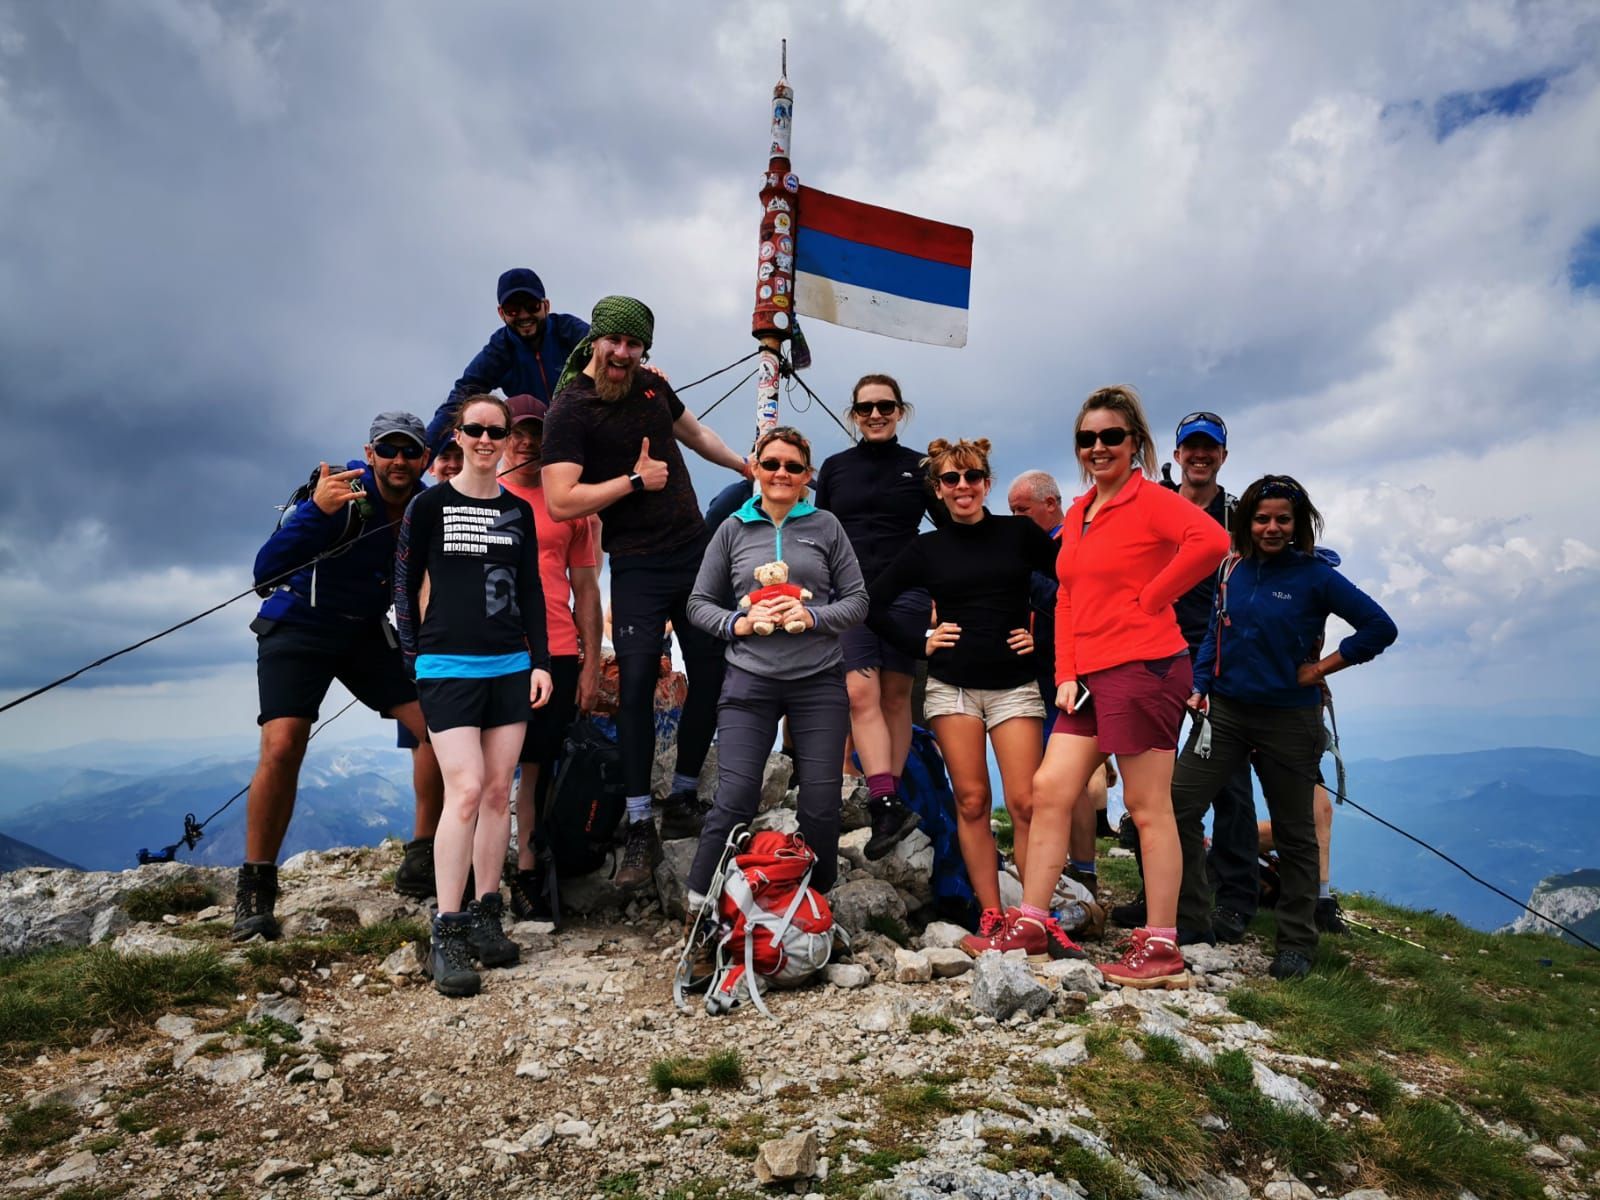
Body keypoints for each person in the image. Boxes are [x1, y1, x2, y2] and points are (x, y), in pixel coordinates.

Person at [975, 386, 1229, 984]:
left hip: (1145, 668)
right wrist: (1064, 673)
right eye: (1087, 438)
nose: (1098, 447)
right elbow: (1065, 595)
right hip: (1088, 678)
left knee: (1146, 808)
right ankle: (1032, 924)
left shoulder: (1150, 501)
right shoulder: (1081, 510)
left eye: (1111, 436)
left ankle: (1162, 947)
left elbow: (1213, 542)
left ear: (1135, 442)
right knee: (1049, 790)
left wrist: (1153, 597)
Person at [541, 295, 753, 891]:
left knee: (713, 673)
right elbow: (560, 499)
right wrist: (635, 480)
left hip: (694, 553)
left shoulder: (653, 387)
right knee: (635, 684)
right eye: (615, 343)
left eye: (635, 347)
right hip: (635, 564)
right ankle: (639, 823)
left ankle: (683, 792)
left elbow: (696, 433)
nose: (623, 355)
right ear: (595, 340)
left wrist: (746, 467)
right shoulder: (570, 410)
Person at [1176, 475, 1397, 980]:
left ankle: (1297, 941)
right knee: (1178, 804)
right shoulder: (1232, 568)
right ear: (1246, 522)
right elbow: (1216, 629)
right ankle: (1192, 918)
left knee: (1296, 832)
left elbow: (1380, 627)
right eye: (1262, 518)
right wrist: (1201, 684)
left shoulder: (1314, 576)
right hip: (1226, 712)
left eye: (1282, 520)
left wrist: (1320, 670)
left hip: (1289, 719)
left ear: (1297, 526)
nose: (1271, 528)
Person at [236, 412, 441, 940]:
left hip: (364, 634)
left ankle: (422, 855)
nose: (399, 461)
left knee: (439, 725)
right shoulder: (339, 495)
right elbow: (264, 573)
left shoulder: (425, 507)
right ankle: (256, 887)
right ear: (370, 454)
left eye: (409, 452)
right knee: (282, 747)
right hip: (300, 625)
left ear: (423, 458)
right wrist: (314, 514)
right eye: (387, 450)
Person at [865, 438, 1060, 953]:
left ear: (987, 483)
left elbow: (1076, 585)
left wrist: (1043, 640)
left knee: (1025, 802)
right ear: (939, 489)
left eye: (972, 477)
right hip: (952, 687)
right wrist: (920, 642)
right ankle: (993, 917)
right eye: (951, 480)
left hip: (1015, 686)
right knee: (972, 802)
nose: (962, 487)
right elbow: (873, 603)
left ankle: (1033, 917)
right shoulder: (927, 548)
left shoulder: (1019, 533)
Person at [395, 395, 554, 997]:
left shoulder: (518, 510)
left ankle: (489, 914)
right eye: (475, 430)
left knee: (496, 792)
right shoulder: (428, 506)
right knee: (462, 790)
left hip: (510, 665)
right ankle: (449, 929)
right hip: (446, 668)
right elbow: (404, 587)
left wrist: (540, 662)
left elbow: (532, 593)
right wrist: (415, 664)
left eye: (497, 431)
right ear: (457, 436)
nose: (487, 440)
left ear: (508, 437)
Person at [684, 426, 868, 909]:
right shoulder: (732, 528)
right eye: (771, 465)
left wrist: (813, 615)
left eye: (793, 466)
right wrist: (739, 623)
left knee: (822, 803)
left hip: (818, 681)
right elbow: (698, 603)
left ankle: (815, 903)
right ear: (755, 469)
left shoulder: (827, 526)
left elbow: (858, 601)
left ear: (808, 474)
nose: (781, 473)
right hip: (749, 680)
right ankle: (698, 903)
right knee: (737, 795)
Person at [1112, 412, 1257, 940]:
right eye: (1191, 448)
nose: (1200, 456)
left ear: (1222, 455)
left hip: (1219, 655)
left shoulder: (1240, 516)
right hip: (1157, 651)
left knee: (1227, 778)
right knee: (1155, 783)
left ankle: (1238, 898)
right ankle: (1161, 895)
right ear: (1176, 454)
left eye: (1210, 448)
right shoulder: (1153, 504)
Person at [813, 375, 942, 858]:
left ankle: (892, 795)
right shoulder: (835, 467)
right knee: (858, 692)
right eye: (865, 407)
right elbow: (820, 528)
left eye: (884, 406)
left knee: (895, 696)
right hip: (849, 593)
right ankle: (884, 799)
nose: (875, 414)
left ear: (900, 410)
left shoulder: (921, 467)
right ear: (853, 414)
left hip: (907, 590)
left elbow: (948, 525)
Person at [496, 394, 604, 920]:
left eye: (535, 432)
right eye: (514, 431)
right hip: (485, 651)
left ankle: (528, 873)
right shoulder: (476, 494)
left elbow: (586, 588)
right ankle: (474, 878)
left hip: (555, 649)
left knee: (534, 769)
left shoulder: (571, 506)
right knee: (482, 772)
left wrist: (588, 664)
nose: (524, 440)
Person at [1008, 469, 1113, 927]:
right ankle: (1064, 869)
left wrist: (1027, 578)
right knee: (1052, 779)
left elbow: (1074, 599)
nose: (1015, 520)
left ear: (1050, 505)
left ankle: (1084, 871)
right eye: (1011, 512)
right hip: (1038, 673)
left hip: (1072, 674)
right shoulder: (1039, 545)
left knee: (1064, 779)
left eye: (1021, 511)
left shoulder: (1071, 543)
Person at [424, 268, 591, 454]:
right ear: (501, 313)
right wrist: (422, 454)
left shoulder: (570, 332)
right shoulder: (499, 351)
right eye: (513, 310)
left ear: (546, 305)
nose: (524, 315)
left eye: (532, 306)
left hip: (589, 430)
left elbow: (614, 355)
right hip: (537, 444)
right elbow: (457, 402)